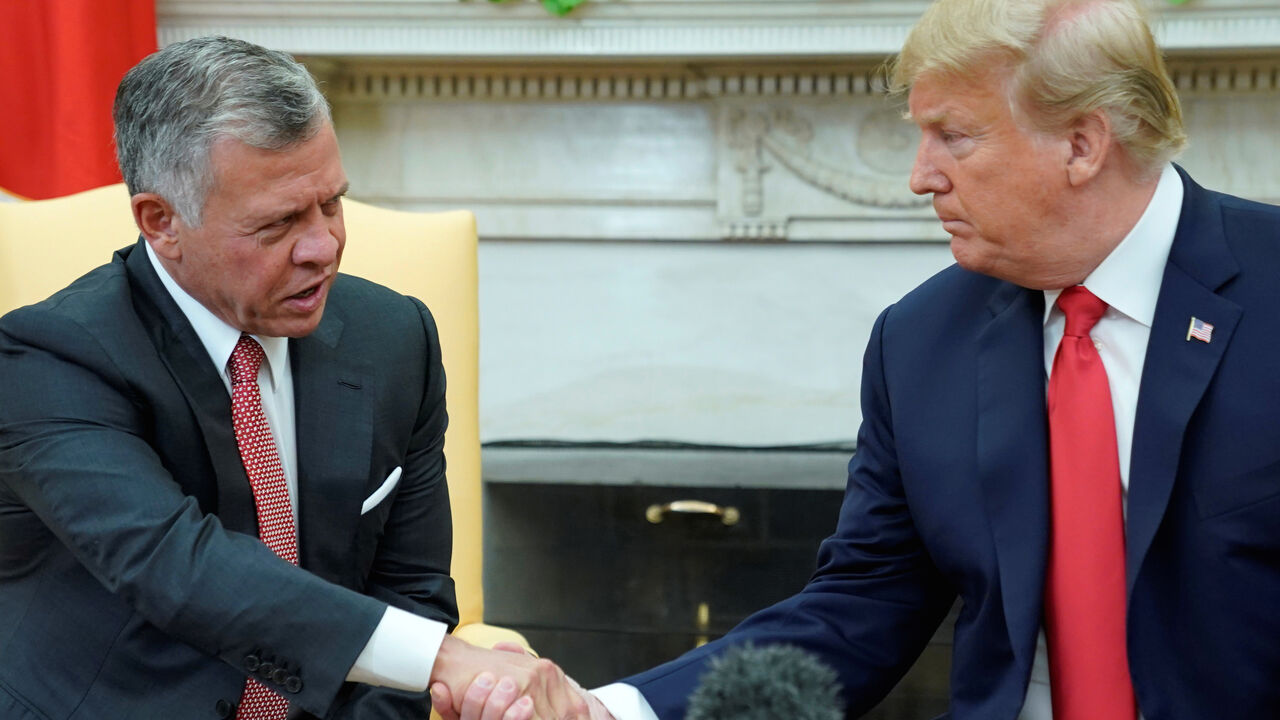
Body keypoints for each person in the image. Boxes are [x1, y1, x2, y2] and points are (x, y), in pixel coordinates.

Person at [436, 0, 1280, 718]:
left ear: (1083, 144)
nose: (921, 178)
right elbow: (857, 612)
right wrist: (612, 711)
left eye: (954, 137)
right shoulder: (921, 343)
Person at [0, 36, 590, 720]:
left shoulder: (396, 338)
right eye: (279, 223)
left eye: (332, 204)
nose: (324, 248)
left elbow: (414, 593)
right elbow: (180, 567)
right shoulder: (50, 356)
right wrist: (446, 660)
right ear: (161, 222)